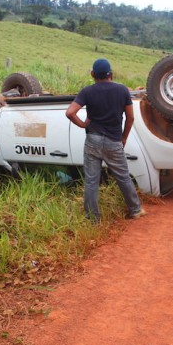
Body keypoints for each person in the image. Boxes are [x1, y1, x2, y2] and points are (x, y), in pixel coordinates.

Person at [66, 58, 145, 222]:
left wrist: (82, 124)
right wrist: (123, 138)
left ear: (92, 74)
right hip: (113, 141)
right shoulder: (122, 90)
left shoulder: (87, 91)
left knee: (91, 181)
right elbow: (130, 118)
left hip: (92, 140)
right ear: (111, 74)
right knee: (123, 176)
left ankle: (93, 219)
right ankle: (135, 210)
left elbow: (70, 112)